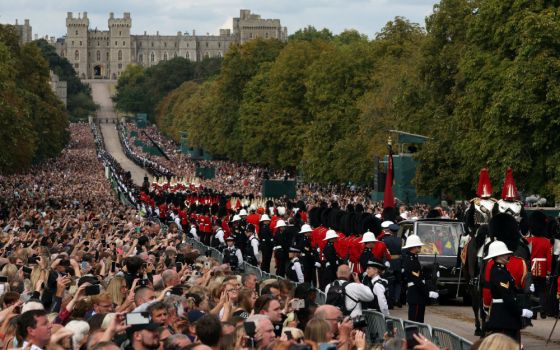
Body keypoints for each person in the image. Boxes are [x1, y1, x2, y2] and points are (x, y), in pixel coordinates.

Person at [484, 240, 533, 343]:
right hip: (504, 317)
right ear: (499, 256)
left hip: (506, 316)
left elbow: (511, 290)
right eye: (505, 254)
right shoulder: (499, 273)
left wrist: (525, 290)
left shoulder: (502, 270)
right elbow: (507, 297)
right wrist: (521, 311)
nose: (508, 255)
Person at [402, 235, 438, 322]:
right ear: (413, 247)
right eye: (419, 246)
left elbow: (420, 276)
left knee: (418, 323)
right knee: (415, 323)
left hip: (417, 294)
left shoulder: (413, 258)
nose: (420, 247)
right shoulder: (410, 260)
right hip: (416, 295)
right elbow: (417, 280)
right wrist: (428, 293)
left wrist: (430, 274)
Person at [382, 223, 403, 308]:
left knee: (390, 283)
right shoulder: (400, 240)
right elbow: (402, 253)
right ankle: (397, 300)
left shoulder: (385, 240)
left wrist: (385, 262)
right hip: (398, 262)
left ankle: (390, 301)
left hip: (389, 262)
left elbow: (384, 253)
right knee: (398, 282)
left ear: (389, 231)